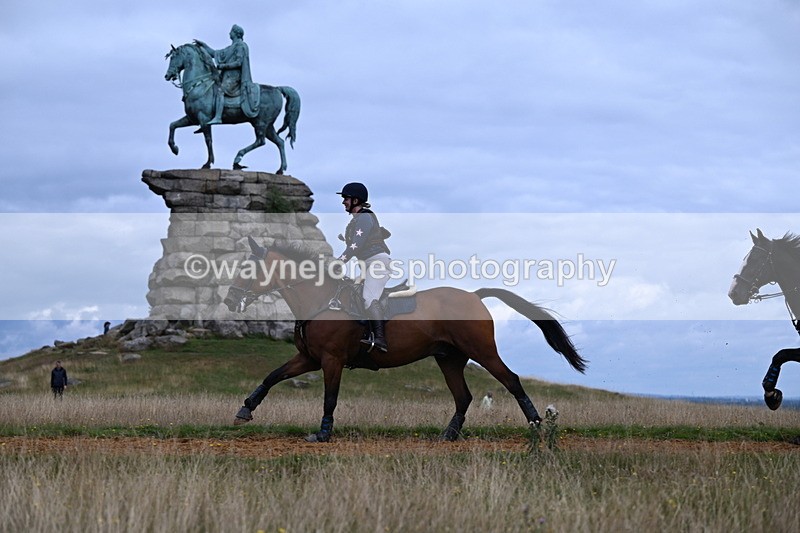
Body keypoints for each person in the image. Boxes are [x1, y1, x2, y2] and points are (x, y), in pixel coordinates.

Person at [337, 182, 392, 352]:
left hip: (377, 263)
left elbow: (356, 246)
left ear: (355, 200)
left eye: (346, 198)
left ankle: (380, 339)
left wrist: (339, 262)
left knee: (368, 298)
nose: (343, 202)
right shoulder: (355, 221)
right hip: (367, 265)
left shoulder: (364, 217)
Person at [193, 24, 260, 128]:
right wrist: (204, 46)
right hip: (226, 76)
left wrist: (223, 66)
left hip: (235, 77)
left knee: (220, 91)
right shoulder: (230, 48)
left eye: (231, 31)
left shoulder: (241, 46)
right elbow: (215, 53)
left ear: (236, 33)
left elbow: (239, 62)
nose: (229, 33)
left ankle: (218, 117)